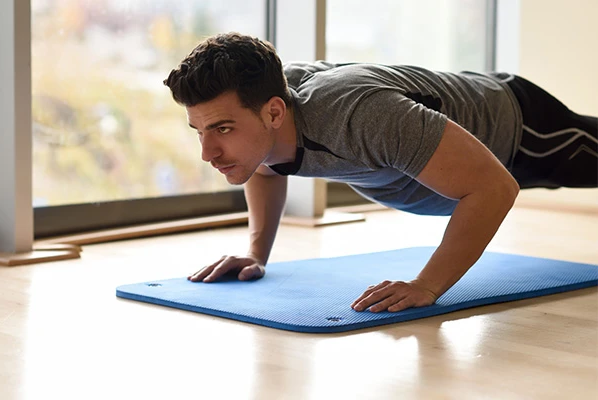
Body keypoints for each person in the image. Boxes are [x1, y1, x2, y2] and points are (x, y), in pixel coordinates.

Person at [163, 32, 598, 313]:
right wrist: (257, 253)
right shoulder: (267, 121)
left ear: (275, 112)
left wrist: (426, 286)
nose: (208, 152)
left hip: (519, 128)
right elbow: (263, 164)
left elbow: (495, 187)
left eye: (222, 129)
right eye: (199, 131)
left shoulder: (358, 116)